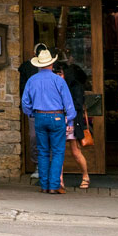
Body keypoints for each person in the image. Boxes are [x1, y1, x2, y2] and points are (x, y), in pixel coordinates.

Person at [21, 46, 75, 194]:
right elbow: (68, 103)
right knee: (57, 152)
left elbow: (25, 102)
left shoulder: (32, 80)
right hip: (57, 116)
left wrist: (31, 113)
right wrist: (69, 120)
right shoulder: (58, 80)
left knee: (43, 152)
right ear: (51, 64)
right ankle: (54, 185)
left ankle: (44, 185)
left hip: (39, 116)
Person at [55, 61, 90, 190]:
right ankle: (60, 180)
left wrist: (66, 110)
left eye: (60, 73)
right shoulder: (57, 85)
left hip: (72, 121)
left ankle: (85, 175)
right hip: (59, 121)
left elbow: (78, 105)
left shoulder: (75, 86)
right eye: (57, 73)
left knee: (75, 152)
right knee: (59, 152)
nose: (58, 76)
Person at [19, 42, 47, 179]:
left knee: (51, 139)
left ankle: (49, 168)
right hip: (35, 110)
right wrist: (28, 110)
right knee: (34, 138)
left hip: (51, 111)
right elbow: (23, 91)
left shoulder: (53, 72)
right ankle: (37, 165)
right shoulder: (27, 69)